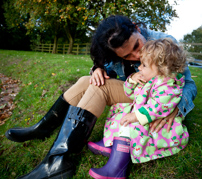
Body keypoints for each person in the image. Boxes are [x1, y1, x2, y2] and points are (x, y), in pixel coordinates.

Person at [5, 15, 197, 179]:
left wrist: (177, 107)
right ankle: (43, 128)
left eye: (137, 46)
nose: (136, 56)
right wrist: (97, 69)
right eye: (127, 56)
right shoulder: (113, 51)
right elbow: (107, 69)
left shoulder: (165, 42)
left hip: (154, 95)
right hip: (136, 91)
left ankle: (59, 163)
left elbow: (188, 84)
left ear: (137, 28)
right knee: (85, 81)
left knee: (98, 89)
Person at [88, 38, 189, 179]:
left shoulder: (167, 86)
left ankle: (116, 170)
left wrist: (135, 116)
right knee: (120, 111)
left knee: (129, 126)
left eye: (144, 65)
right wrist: (132, 80)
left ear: (162, 69)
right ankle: (110, 143)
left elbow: (158, 107)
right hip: (144, 114)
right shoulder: (149, 79)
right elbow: (129, 93)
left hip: (158, 124)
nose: (139, 67)